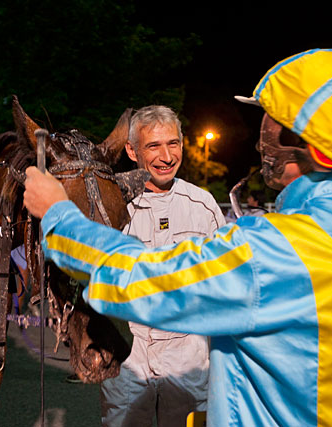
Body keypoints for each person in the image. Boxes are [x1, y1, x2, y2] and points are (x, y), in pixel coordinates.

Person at [24, 49, 332, 426]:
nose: (259, 139)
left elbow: (141, 277)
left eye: (270, 122)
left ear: (314, 150)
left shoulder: (269, 249)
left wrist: (58, 213)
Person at [99, 105, 225, 426]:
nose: (166, 156)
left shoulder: (203, 205)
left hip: (189, 354)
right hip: (129, 351)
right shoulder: (110, 203)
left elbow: (225, 282)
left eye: (173, 144)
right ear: (131, 150)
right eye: (154, 145)